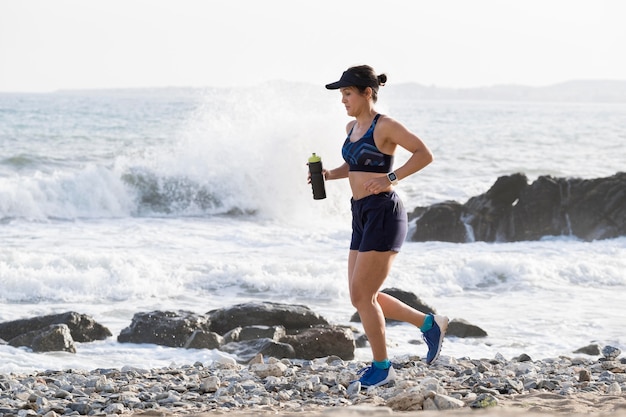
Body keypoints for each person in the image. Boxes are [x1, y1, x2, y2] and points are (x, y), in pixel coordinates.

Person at [316, 65, 449, 388]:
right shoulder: (351, 127)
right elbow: (356, 164)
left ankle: (382, 367)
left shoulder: (385, 126)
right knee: (360, 295)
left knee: (364, 295)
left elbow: (424, 154)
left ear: (366, 93)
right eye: (342, 94)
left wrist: (391, 177)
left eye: (347, 93)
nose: (343, 100)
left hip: (384, 212)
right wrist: (329, 175)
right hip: (359, 211)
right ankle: (429, 324)